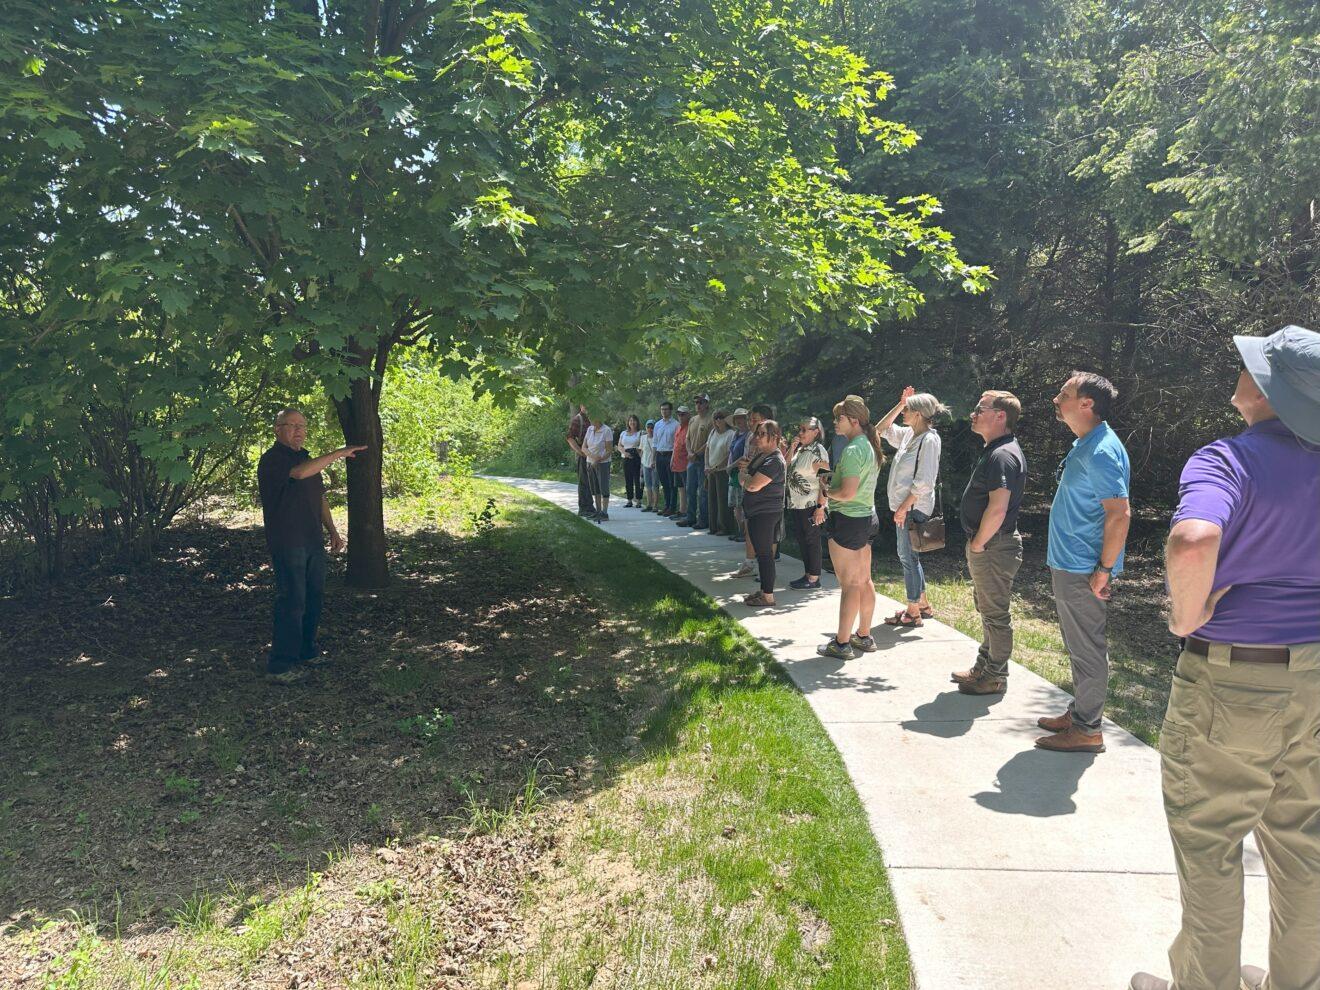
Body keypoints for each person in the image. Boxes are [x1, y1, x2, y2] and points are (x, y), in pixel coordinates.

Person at [1129, 326, 1320, 990]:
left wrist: (1186, 615)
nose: (1242, 368)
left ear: (1274, 393)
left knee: (1210, 846)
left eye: (1256, 365)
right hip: (1316, 679)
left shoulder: (1227, 460)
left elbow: (1192, 540)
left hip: (1235, 681)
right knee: (1304, 849)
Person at [1035, 372, 1131, 754]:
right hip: (1071, 563)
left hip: (1083, 569)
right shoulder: (1087, 443)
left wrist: (1104, 570)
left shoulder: (1102, 449)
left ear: (1086, 403)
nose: (1056, 398)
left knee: (1087, 648)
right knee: (1079, 646)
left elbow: (1120, 513)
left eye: (1065, 393)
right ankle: (1080, 714)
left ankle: (1088, 729)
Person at [257, 409, 364, 684]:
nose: (298, 431)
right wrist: (339, 453)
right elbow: (300, 474)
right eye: (291, 425)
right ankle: (280, 666)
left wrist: (333, 530)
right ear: (277, 429)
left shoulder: (307, 458)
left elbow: (320, 498)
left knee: (313, 599)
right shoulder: (273, 460)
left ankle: (306, 652)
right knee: (292, 601)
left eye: (302, 426)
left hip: (312, 540)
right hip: (288, 541)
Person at [951, 391, 1028, 695]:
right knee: (987, 609)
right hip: (990, 544)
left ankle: (995, 676)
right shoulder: (995, 450)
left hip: (995, 546)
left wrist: (979, 543)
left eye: (980, 409)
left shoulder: (1002, 455)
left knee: (995, 613)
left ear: (1000, 416)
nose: (973, 414)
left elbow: (998, 507)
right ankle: (983, 666)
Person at [816, 396, 884, 659]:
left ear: (853, 420)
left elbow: (847, 492)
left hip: (848, 521)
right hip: (867, 518)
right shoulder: (869, 444)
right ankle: (864, 636)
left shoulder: (854, 449)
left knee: (850, 585)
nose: (836, 422)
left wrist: (825, 489)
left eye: (839, 418)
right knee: (864, 580)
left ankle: (842, 644)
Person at [876, 386, 947, 626]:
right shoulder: (908, 435)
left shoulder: (929, 439)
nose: (904, 413)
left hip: (913, 507)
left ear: (917, 414)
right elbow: (881, 429)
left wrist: (903, 508)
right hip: (904, 506)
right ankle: (923, 605)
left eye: (907, 409)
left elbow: (924, 481)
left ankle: (913, 611)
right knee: (910, 555)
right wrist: (899, 403)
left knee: (907, 557)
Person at [739, 420, 788, 606]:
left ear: (774, 437)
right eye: (757, 433)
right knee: (762, 553)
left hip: (765, 513)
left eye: (762, 434)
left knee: (765, 554)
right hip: (756, 512)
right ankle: (764, 591)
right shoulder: (763, 456)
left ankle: (768, 596)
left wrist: (744, 476)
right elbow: (744, 473)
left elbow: (752, 484)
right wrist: (745, 475)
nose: (757, 437)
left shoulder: (774, 460)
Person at [785, 416, 830, 590]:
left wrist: (820, 507)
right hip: (797, 503)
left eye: (804, 430)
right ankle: (808, 574)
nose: (800, 432)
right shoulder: (802, 450)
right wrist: (792, 447)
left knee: (812, 540)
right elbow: (785, 466)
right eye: (800, 429)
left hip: (811, 504)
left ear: (816, 432)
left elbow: (826, 479)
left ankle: (814, 578)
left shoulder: (818, 451)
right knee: (803, 540)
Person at [733, 404, 775, 576]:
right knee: (749, 526)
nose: (751, 422)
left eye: (755, 419)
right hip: (749, 485)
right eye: (750, 419)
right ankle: (749, 563)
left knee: (768, 533)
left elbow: (777, 462)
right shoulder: (751, 436)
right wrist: (745, 465)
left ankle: (767, 571)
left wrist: (750, 466)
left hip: (766, 490)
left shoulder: (773, 437)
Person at [679, 394, 714, 529]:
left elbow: (709, 441)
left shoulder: (711, 420)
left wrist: (697, 453)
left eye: (701, 402)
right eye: (696, 402)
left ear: (707, 404)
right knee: (690, 489)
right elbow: (687, 439)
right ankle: (690, 517)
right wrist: (690, 452)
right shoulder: (693, 420)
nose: (698, 405)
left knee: (702, 491)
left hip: (703, 459)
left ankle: (703, 519)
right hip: (691, 459)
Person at [705, 411, 734, 536]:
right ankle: (713, 527)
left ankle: (724, 527)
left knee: (722, 500)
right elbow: (707, 449)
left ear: (726, 419)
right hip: (710, 470)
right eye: (716, 418)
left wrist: (716, 467)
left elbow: (729, 455)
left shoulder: (730, 434)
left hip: (722, 471)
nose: (718, 420)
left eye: (721, 418)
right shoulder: (712, 432)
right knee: (712, 499)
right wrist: (706, 466)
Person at [582, 413, 613, 521]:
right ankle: (598, 511)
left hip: (603, 463)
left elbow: (609, 451)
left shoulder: (606, 430)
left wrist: (597, 460)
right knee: (595, 488)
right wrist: (592, 458)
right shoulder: (589, 429)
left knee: (603, 488)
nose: (590, 418)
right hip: (590, 462)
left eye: (592, 416)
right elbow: (584, 447)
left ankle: (605, 513)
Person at [726, 409, 750, 541]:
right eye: (737, 418)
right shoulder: (736, 435)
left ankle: (745, 533)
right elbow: (731, 452)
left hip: (741, 471)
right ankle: (740, 530)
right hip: (733, 474)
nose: (740, 421)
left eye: (742, 418)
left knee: (742, 504)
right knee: (736, 505)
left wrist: (730, 466)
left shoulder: (749, 435)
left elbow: (745, 456)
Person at [566, 403, 594, 516]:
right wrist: (580, 452)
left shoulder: (593, 419)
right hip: (583, 456)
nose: (587, 406)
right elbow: (569, 438)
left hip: (593, 456)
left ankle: (590, 507)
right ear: (581, 405)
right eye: (585, 404)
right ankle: (583, 509)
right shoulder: (578, 420)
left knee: (591, 482)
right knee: (584, 482)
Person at [653, 402, 679, 515]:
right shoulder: (657, 424)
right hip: (659, 455)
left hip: (670, 455)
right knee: (664, 482)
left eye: (666, 409)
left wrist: (674, 457)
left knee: (672, 482)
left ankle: (672, 507)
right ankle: (667, 505)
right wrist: (654, 459)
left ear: (670, 410)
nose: (664, 411)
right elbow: (655, 442)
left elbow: (677, 444)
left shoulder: (676, 425)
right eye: (662, 409)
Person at [616, 414, 644, 508]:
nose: (632, 422)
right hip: (626, 457)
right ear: (628, 422)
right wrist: (624, 452)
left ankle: (639, 500)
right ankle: (629, 500)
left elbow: (643, 446)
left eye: (634, 420)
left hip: (636, 457)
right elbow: (619, 445)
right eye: (630, 420)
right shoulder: (623, 433)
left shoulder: (641, 433)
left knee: (637, 479)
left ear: (637, 422)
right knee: (628, 479)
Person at [671, 406, 690, 522]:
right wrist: (672, 459)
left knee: (687, 488)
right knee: (680, 488)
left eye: (683, 414)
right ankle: (682, 510)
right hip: (677, 463)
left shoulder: (690, 428)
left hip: (686, 464)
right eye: (679, 414)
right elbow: (675, 445)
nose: (680, 416)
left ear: (688, 415)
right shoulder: (678, 428)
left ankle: (687, 511)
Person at [640, 419, 659, 512]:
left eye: (652, 427)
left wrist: (655, 461)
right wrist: (642, 461)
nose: (650, 429)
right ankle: (649, 504)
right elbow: (641, 450)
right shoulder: (643, 438)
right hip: (645, 464)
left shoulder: (657, 438)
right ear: (646, 428)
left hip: (655, 464)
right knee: (648, 485)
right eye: (648, 427)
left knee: (655, 485)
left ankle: (655, 505)